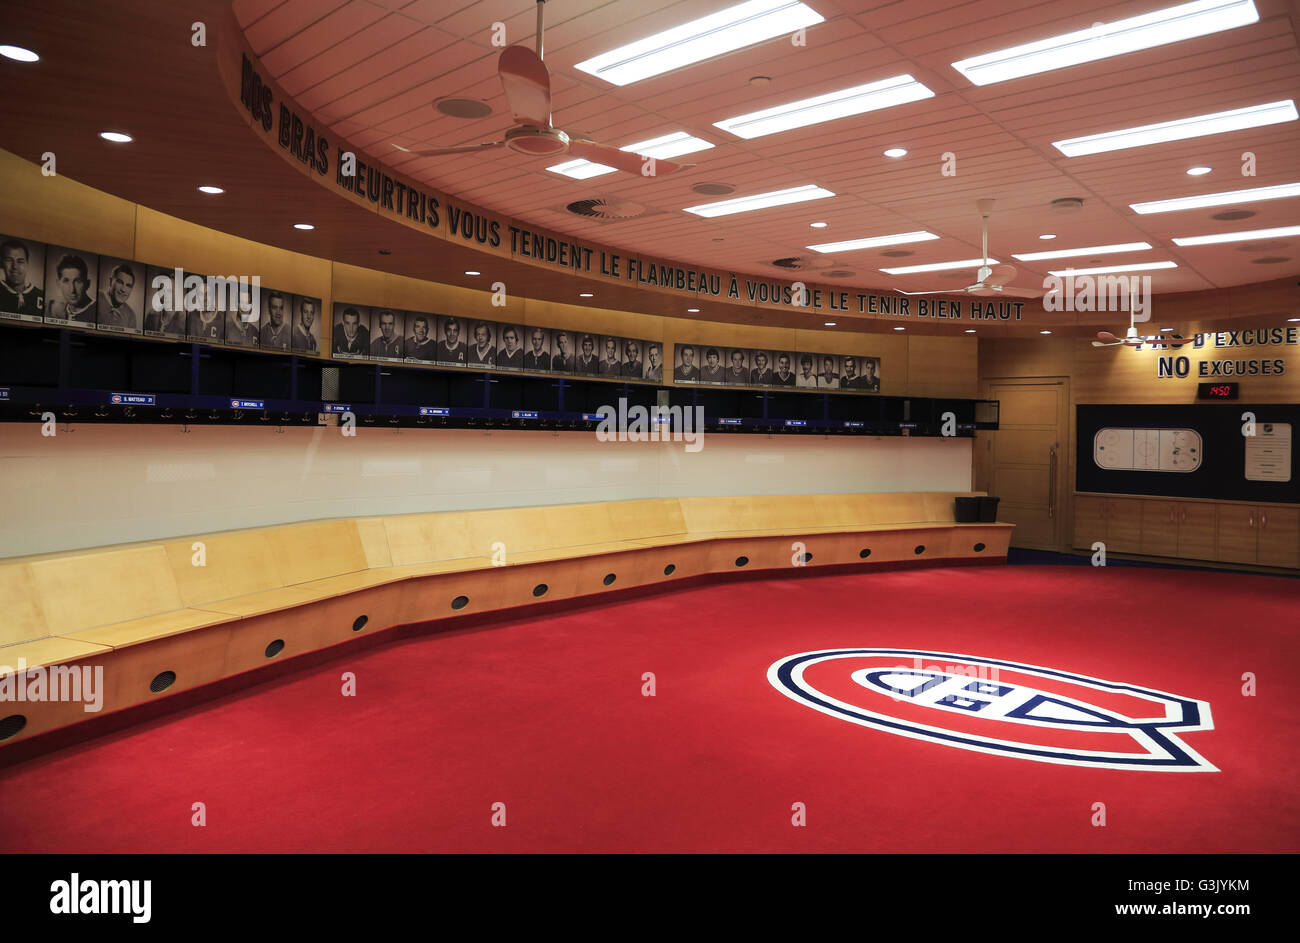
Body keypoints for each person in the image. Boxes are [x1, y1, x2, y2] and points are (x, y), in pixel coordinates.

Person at [48, 253, 97, 323]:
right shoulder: (55, 311)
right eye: (66, 281)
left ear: (87, 284)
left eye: (77, 281)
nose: (72, 290)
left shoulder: (98, 312)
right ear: (58, 284)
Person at [0, 238, 43, 317]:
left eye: (20, 261)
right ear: (1, 264)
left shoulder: (41, 295)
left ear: (27, 264)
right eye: (9, 260)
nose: (15, 266)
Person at [97, 262, 138, 330]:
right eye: (120, 282)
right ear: (110, 281)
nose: (123, 290)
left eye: (128, 286)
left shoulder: (131, 316)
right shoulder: (95, 298)